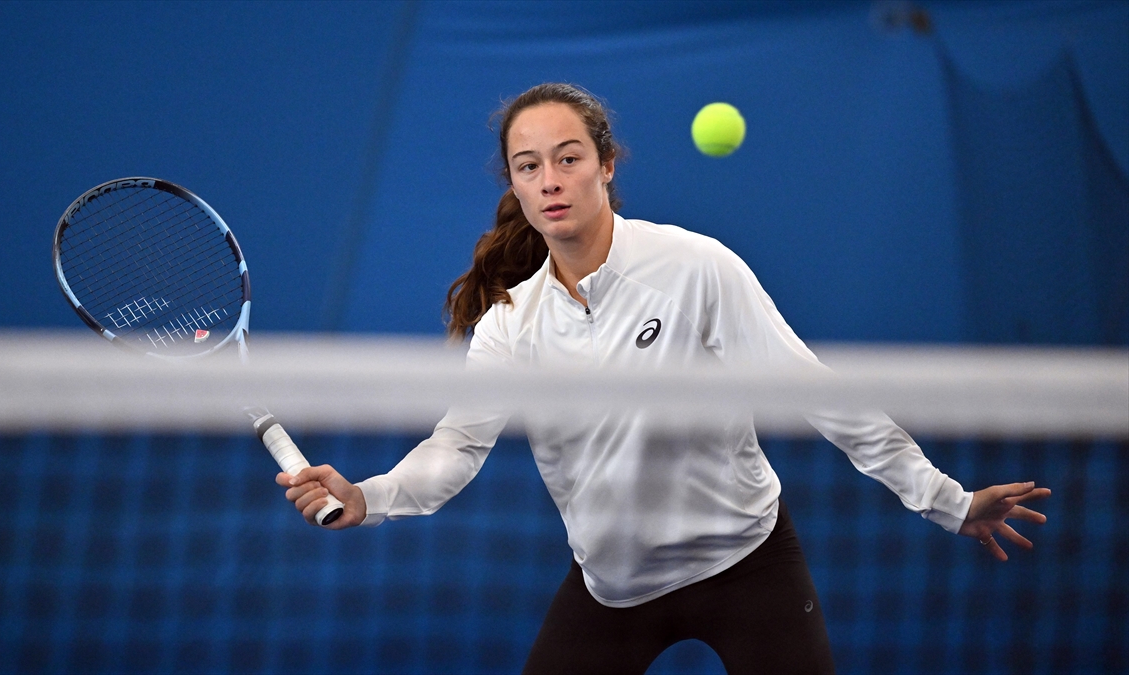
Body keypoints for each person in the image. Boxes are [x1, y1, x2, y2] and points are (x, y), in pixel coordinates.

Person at [277, 83, 1051, 674]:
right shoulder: (513, 323)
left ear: (606, 166)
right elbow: (455, 448)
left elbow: (816, 390)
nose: (551, 179)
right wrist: (367, 497)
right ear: (514, 185)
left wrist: (947, 501)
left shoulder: (694, 267)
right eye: (529, 165)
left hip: (748, 563)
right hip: (612, 586)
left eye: (569, 157)